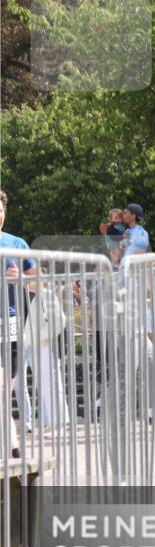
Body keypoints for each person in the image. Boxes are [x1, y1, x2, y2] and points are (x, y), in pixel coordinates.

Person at [1, 191, 37, 458]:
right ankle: (13, 448)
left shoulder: (16, 244)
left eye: (0, 211)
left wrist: (21, 279)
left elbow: (38, 283)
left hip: (10, 324)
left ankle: (12, 448)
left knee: (4, 389)